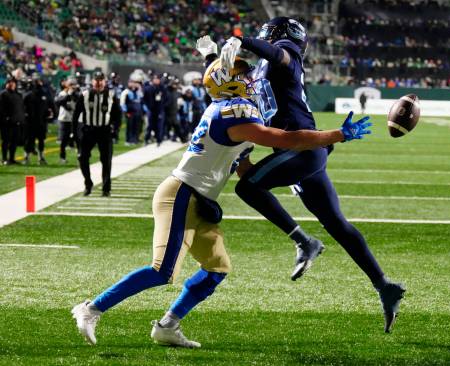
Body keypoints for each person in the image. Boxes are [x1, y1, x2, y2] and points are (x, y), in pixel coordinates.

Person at [71, 46, 372, 348]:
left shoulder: (232, 111)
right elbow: (287, 139)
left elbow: (245, 172)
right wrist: (336, 135)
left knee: (217, 267)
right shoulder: (232, 114)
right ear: (230, 84)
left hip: (199, 200)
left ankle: (167, 326)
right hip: (181, 194)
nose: (253, 81)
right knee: (163, 270)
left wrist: (285, 177)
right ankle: (91, 309)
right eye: (245, 77)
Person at [219, 17, 405, 332]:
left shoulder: (283, 52)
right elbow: (238, 76)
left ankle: (305, 242)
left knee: (247, 188)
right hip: (300, 153)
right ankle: (384, 285)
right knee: (337, 224)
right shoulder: (264, 70)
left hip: (302, 148)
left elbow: (279, 55)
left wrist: (243, 39)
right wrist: (215, 55)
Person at [72, 71, 121, 196]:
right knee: (82, 158)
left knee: (106, 160)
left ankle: (106, 188)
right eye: (96, 80)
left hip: (104, 131)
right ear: (92, 81)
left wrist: (115, 130)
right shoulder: (85, 95)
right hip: (88, 130)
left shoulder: (111, 95)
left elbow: (117, 115)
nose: (98, 82)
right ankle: (88, 183)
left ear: (104, 81)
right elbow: (76, 115)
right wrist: (74, 133)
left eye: (101, 80)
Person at [0, 76, 24, 165]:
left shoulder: (18, 95)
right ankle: (4, 159)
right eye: (9, 82)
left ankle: (12, 159)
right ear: (6, 84)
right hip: (6, 123)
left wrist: (21, 119)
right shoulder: (3, 94)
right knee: (6, 141)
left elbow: (21, 108)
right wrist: (5, 119)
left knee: (14, 142)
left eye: (13, 82)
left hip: (17, 122)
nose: (11, 84)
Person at [55, 78, 79, 163]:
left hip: (73, 119)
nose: (73, 87)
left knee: (77, 138)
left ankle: (80, 156)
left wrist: (74, 95)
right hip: (64, 119)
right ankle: (62, 157)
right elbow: (58, 102)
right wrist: (68, 95)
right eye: (71, 85)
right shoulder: (62, 93)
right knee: (64, 140)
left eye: (73, 85)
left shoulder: (76, 94)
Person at [120, 75, 147, 145]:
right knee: (130, 127)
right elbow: (122, 103)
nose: (133, 84)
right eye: (131, 82)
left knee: (137, 126)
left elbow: (142, 102)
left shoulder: (139, 92)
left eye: (135, 83)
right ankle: (128, 140)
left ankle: (135, 139)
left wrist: (144, 111)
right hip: (130, 112)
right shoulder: (126, 92)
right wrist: (125, 112)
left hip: (138, 112)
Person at [143, 74, 167, 146]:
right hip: (151, 110)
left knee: (159, 126)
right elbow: (144, 99)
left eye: (157, 79)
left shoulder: (162, 89)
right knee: (149, 126)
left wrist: (163, 106)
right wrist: (147, 107)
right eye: (155, 79)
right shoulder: (148, 88)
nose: (156, 80)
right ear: (152, 80)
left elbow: (166, 99)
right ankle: (146, 139)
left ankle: (159, 140)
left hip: (160, 110)